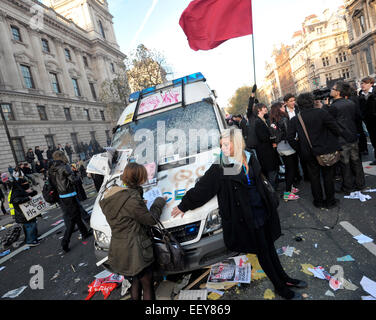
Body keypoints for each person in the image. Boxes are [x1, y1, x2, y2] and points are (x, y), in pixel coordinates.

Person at [171, 128, 306, 300]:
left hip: (262, 208)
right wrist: (184, 205)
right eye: (222, 146)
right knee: (263, 252)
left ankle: (285, 279)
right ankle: (280, 287)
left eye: (226, 145)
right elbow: (204, 187)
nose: (223, 149)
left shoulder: (249, 155)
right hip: (246, 216)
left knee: (270, 247)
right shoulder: (221, 165)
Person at [99, 162, 166, 300]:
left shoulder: (111, 195)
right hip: (136, 249)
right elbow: (151, 219)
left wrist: (139, 203)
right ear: (138, 178)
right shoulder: (131, 199)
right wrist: (159, 201)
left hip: (120, 248)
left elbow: (124, 214)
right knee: (147, 285)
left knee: (135, 281)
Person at [287, 93, 341, 209]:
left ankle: (318, 201)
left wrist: (300, 147)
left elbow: (290, 137)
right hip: (325, 150)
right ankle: (330, 201)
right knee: (328, 176)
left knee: (314, 177)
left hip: (308, 152)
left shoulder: (296, 119)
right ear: (312, 102)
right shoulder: (321, 113)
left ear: (299, 104)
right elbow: (335, 129)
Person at [48, 151, 92, 253]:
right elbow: (73, 180)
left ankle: (84, 233)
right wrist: (76, 174)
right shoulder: (64, 166)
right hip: (69, 194)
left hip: (62, 196)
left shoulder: (51, 169)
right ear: (62, 156)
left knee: (76, 216)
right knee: (72, 220)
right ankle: (64, 242)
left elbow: (52, 183)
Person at [329, 81, 366, 193]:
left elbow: (331, 124)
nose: (331, 90)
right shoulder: (351, 103)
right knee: (356, 161)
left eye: (333, 89)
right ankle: (360, 184)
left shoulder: (334, 107)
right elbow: (358, 118)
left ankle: (348, 186)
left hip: (341, 139)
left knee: (345, 163)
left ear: (338, 92)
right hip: (353, 136)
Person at [269, 103, 300, 201]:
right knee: (291, 169)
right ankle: (287, 193)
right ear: (279, 109)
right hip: (287, 146)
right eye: (283, 107)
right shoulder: (284, 119)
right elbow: (289, 134)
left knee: (288, 168)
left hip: (280, 147)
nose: (284, 108)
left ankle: (289, 188)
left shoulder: (273, 120)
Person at [254, 103, 279, 189]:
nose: (266, 108)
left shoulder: (263, 119)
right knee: (271, 170)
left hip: (268, 148)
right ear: (259, 110)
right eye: (264, 107)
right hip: (265, 150)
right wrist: (272, 138)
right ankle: (271, 190)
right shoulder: (257, 121)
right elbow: (263, 137)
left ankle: (273, 187)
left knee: (273, 169)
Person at [9, 177, 39, 246]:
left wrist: (31, 192)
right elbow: (16, 200)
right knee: (30, 226)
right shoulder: (16, 191)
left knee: (32, 225)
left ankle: (33, 238)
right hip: (22, 214)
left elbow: (34, 194)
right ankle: (30, 241)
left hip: (28, 212)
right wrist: (27, 198)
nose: (26, 185)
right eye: (24, 184)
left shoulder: (23, 190)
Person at [358, 77, 376, 165]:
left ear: (371, 84)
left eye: (364, 83)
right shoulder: (361, 94)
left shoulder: (374, 92)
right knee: (373, 140)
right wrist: (363, 117)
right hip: (369, 122)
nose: (362, 85)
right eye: (361, 83)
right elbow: (361, 107)